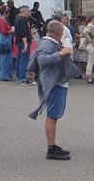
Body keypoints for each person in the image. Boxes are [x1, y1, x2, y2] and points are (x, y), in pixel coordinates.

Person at [28, 20, 81, 161]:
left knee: (54, 115)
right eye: (62, 33)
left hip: (57, 82)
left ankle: (53, 146)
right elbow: (42, 61)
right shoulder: (46, 43)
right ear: (57, 33)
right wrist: (61, 53)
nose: (62, 36)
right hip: (54, 83)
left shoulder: (48, 42)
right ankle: (51, 148)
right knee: (52, 115)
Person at [14, 6, 34, 85]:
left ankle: (19, 76)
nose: (29, 13)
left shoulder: (17, 19)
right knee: (24, 60)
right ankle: (22, 78)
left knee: (19, 59)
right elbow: (23, 33)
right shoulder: (22, 20)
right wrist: (25, 44)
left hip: (19, 42)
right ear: (24, 12)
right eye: (28, 11)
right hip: (23, 42)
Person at [0, 7, 14, 81]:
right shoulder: (2, 20)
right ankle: (4, 75)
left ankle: (7, 75)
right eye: (8, 12)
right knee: (5, 58)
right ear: (5, 12)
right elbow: (3, 31)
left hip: (4, 39)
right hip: (4, 40)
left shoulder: (2, 19)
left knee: (6, 58)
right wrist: (11, 31)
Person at [80, 16, 94, 83]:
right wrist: (90, 40)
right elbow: (84, 32)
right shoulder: (91, 26)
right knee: (91, 62)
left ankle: (90, 77)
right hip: (92, 45)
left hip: (92, 45)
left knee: (91, 61)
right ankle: (89, 78)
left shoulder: (91, 26)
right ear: (92, 19)